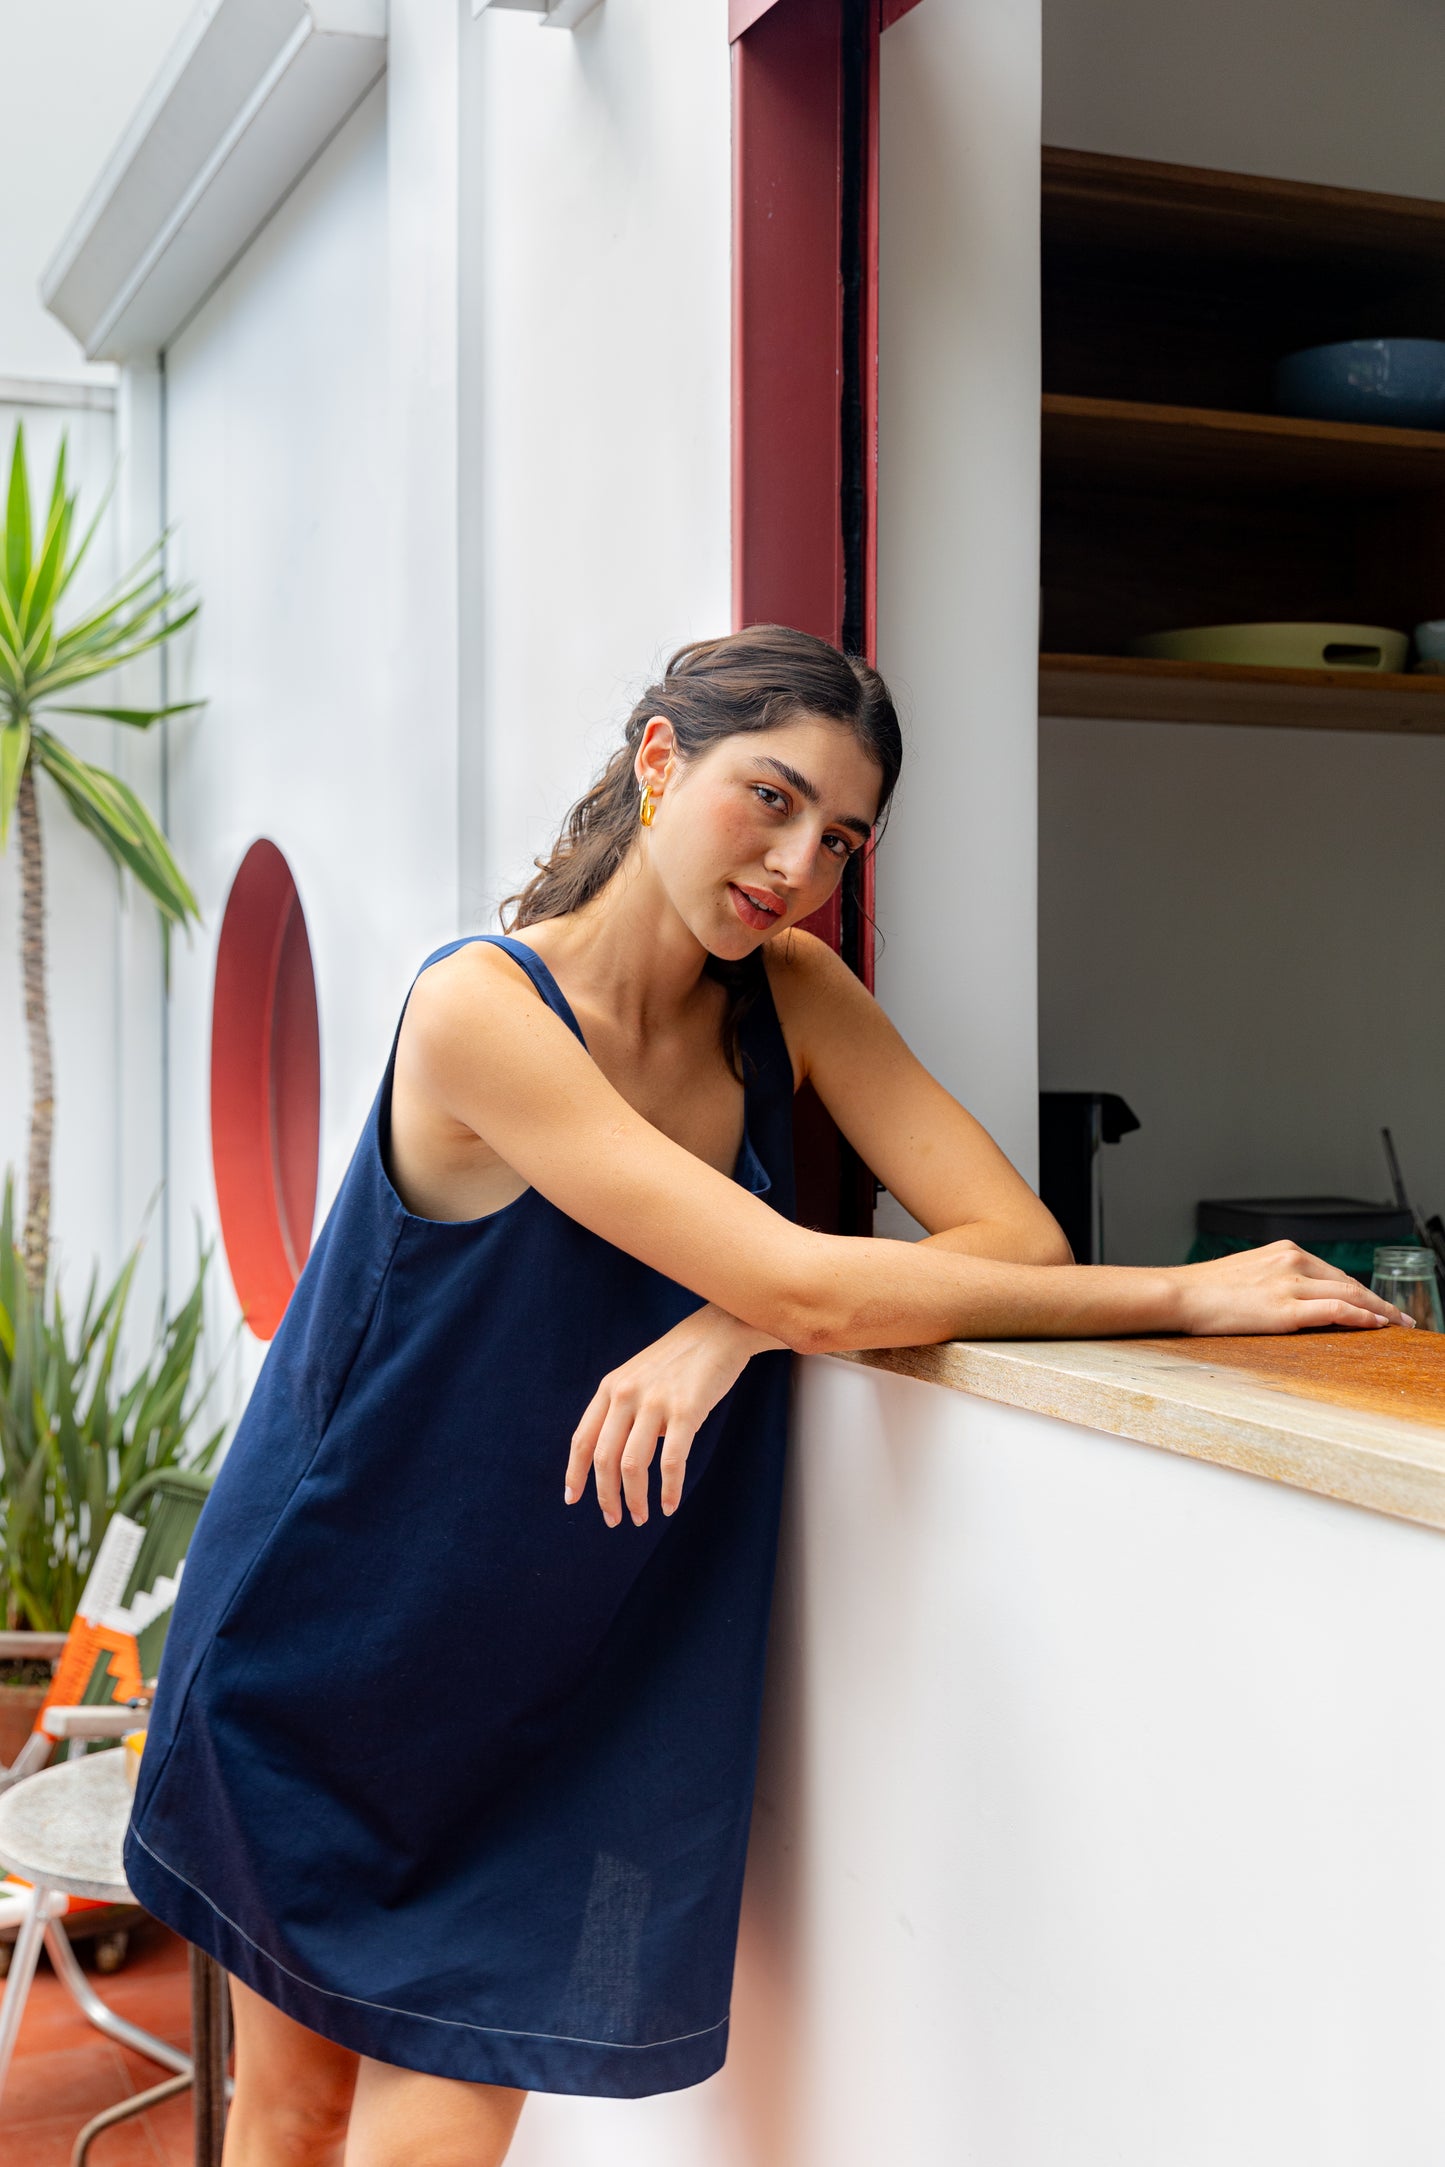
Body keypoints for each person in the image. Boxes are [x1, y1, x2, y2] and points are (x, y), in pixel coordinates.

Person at [122, 626, 1409, 2167]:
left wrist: (728, 1324)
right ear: (661, 762)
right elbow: (821, 1279)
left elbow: (1009, 1237)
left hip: (576, 1661)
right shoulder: (478, 1007)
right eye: (771, 798)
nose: (798, 866)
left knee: (430, 2149)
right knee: (291, 2118)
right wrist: (1184, 1290)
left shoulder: (788, 997)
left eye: (841, 838)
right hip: (338, 1631)